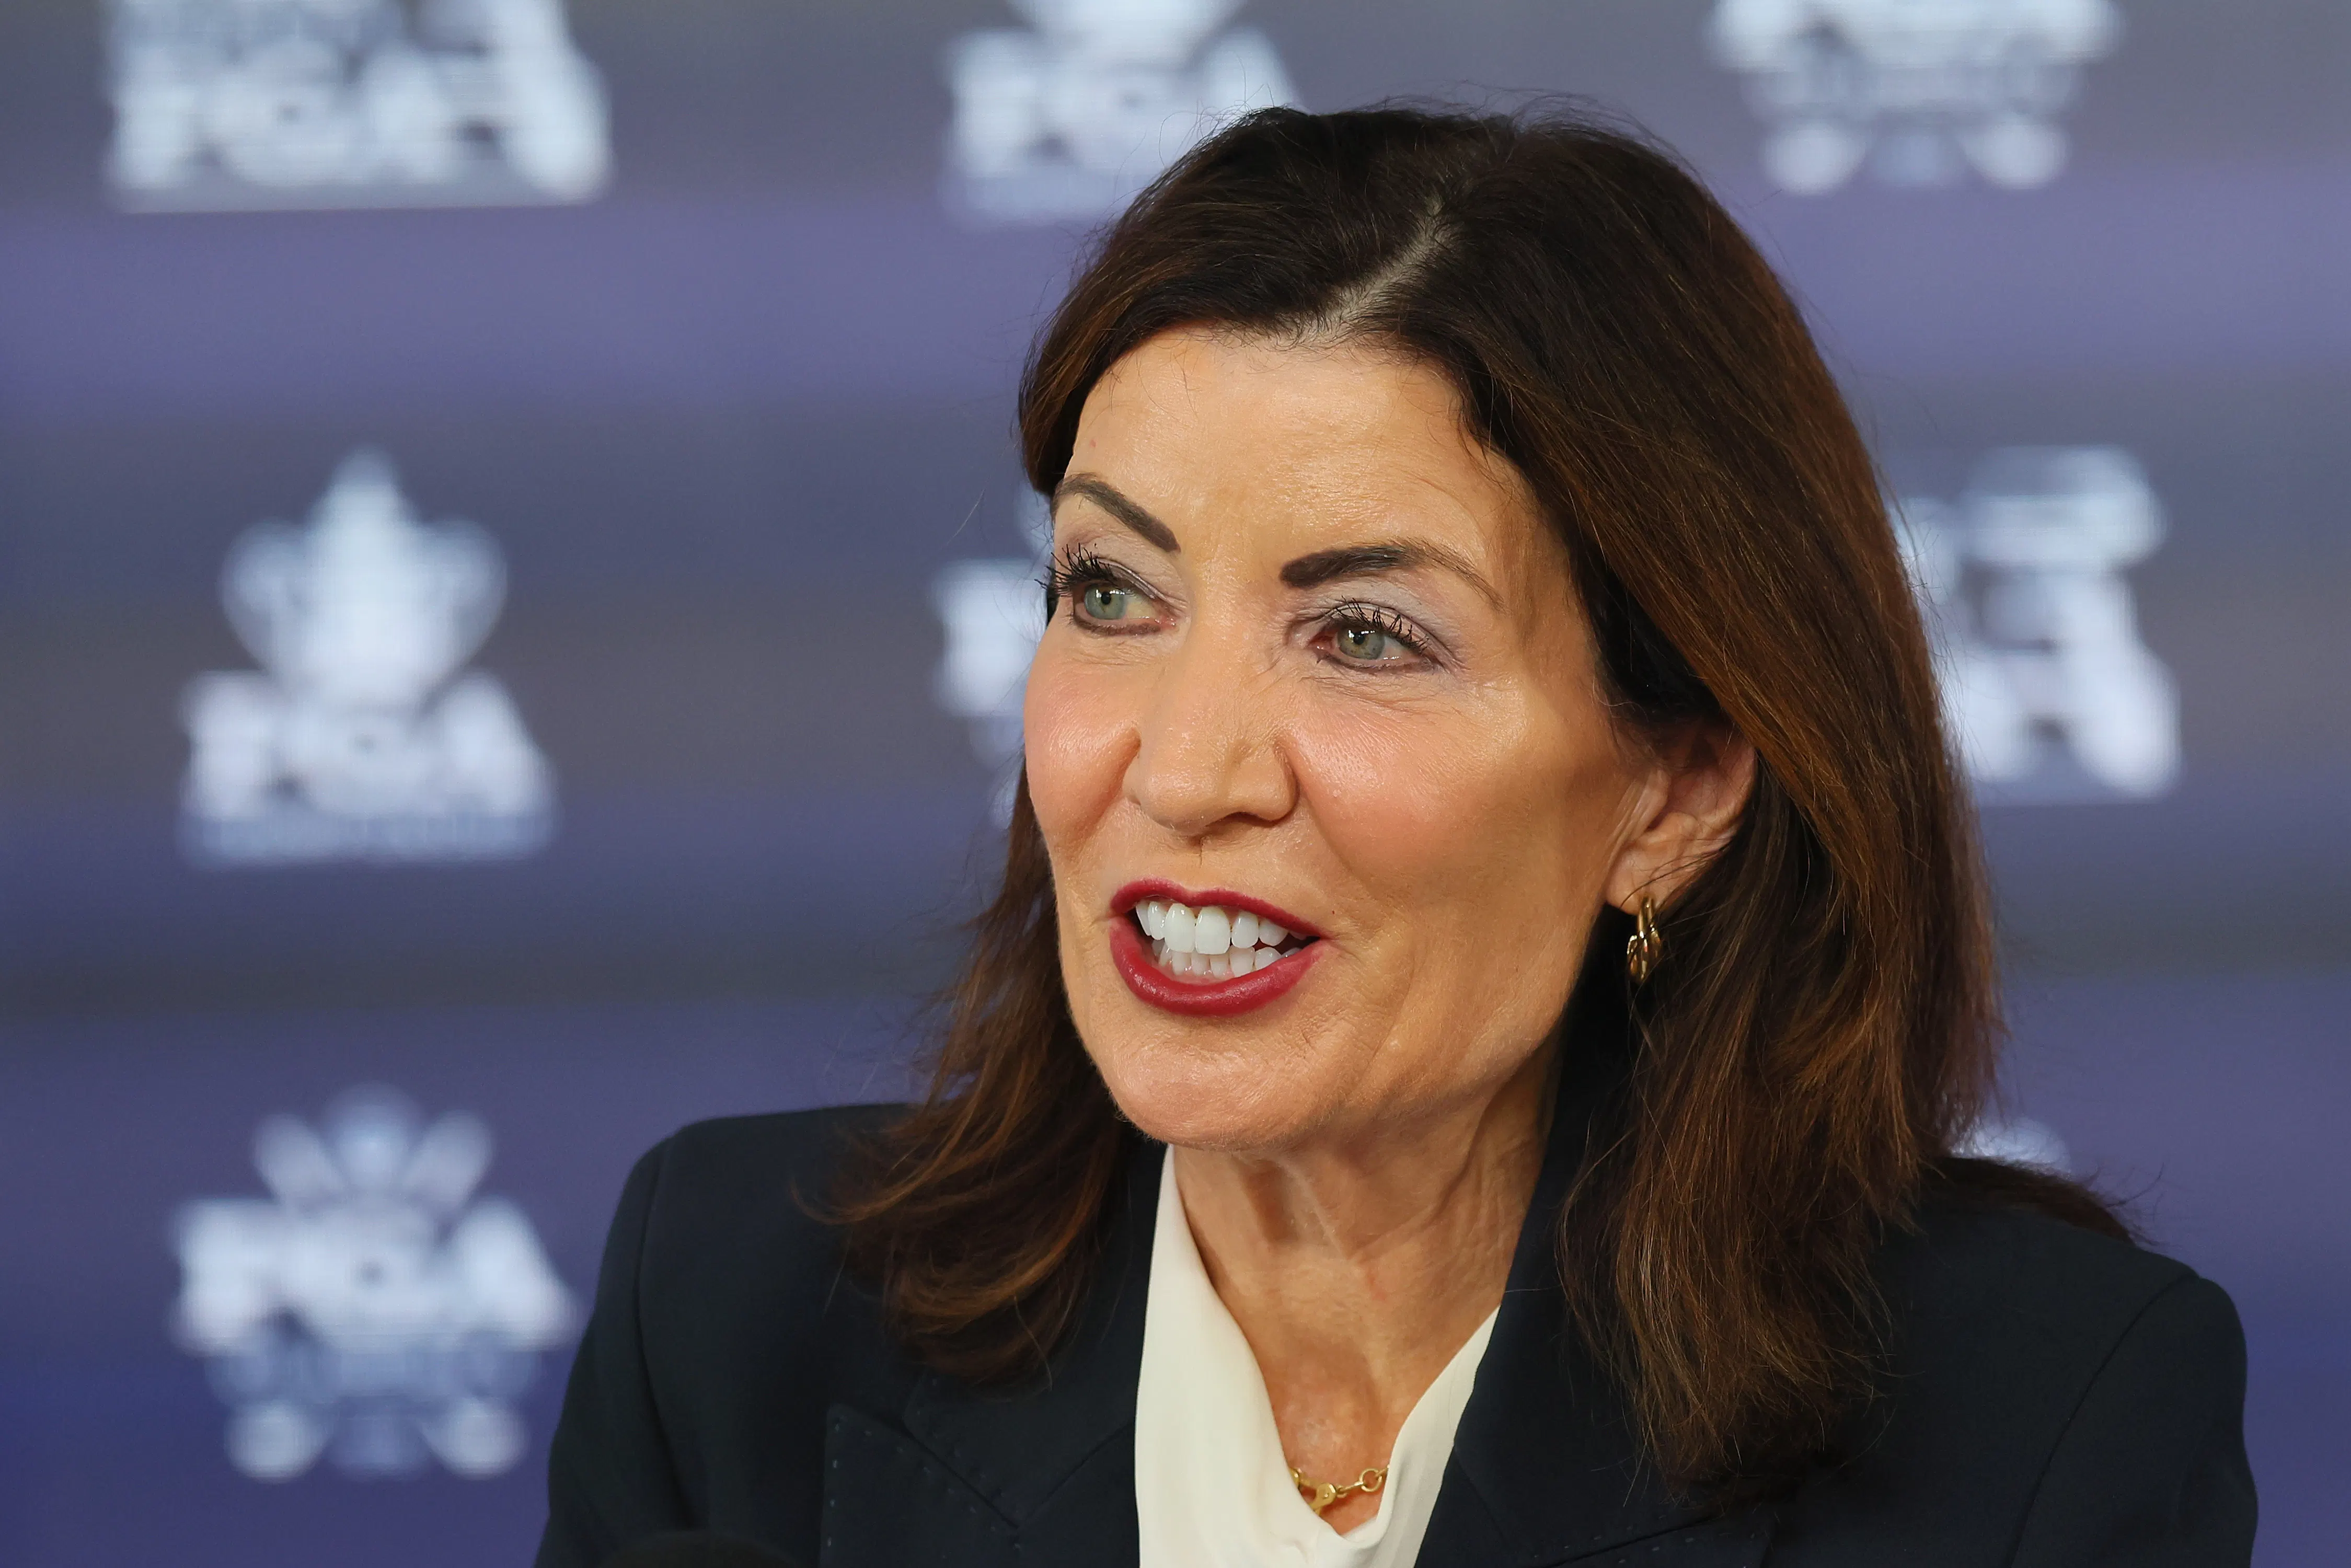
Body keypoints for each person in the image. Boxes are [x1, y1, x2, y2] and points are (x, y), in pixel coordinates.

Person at [536, 107, 2254, 1568]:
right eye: (1112, 592)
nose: (1186, 768)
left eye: (1364, 635)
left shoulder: (2040, 1429)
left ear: (1677, 791)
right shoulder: (736, 1309)